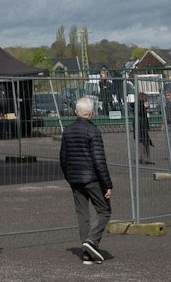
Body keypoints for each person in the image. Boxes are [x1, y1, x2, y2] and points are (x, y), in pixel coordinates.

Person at [60, 96, 113, 263]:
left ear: (76, 112)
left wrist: (69, 177)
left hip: (75, 179)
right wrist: (107, 184)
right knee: (105, 211)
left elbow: (63, 158)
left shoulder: (67, 130)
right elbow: (99, 160)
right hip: (92, 178)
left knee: (82, 214)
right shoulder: (93, 131)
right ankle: (91, 242)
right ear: (91, 114)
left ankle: (87, 252)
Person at [133, 91, 152, 162]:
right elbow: (142, 112)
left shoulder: (136, 103)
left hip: (137, 123)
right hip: (142, 123)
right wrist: (146, 109)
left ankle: (142, 157)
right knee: (144, 141)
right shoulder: (142, 104)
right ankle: (145, 157)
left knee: (140, 141)